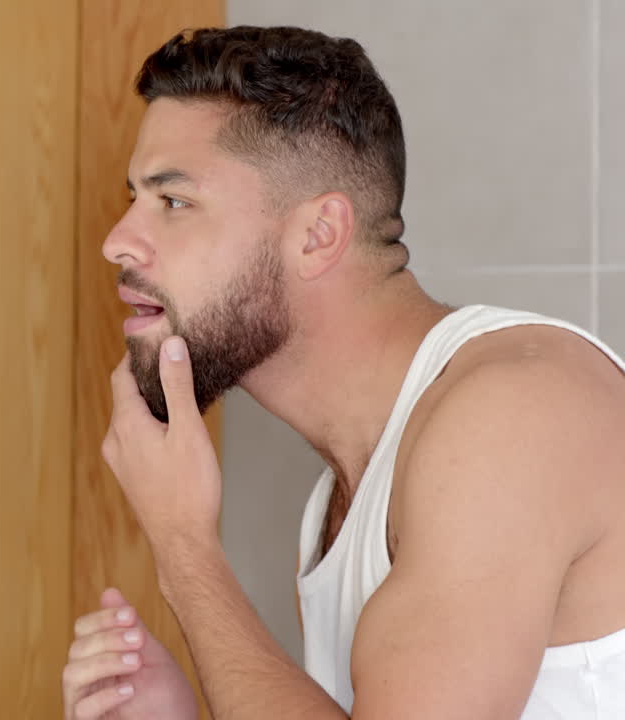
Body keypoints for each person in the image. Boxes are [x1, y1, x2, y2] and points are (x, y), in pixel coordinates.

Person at [62, 26, 625, 720]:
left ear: (319, 235)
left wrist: (184, 547)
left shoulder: (509, 417)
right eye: (133, 199)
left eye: (172, 201)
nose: (117, 241)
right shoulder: (343, 497)